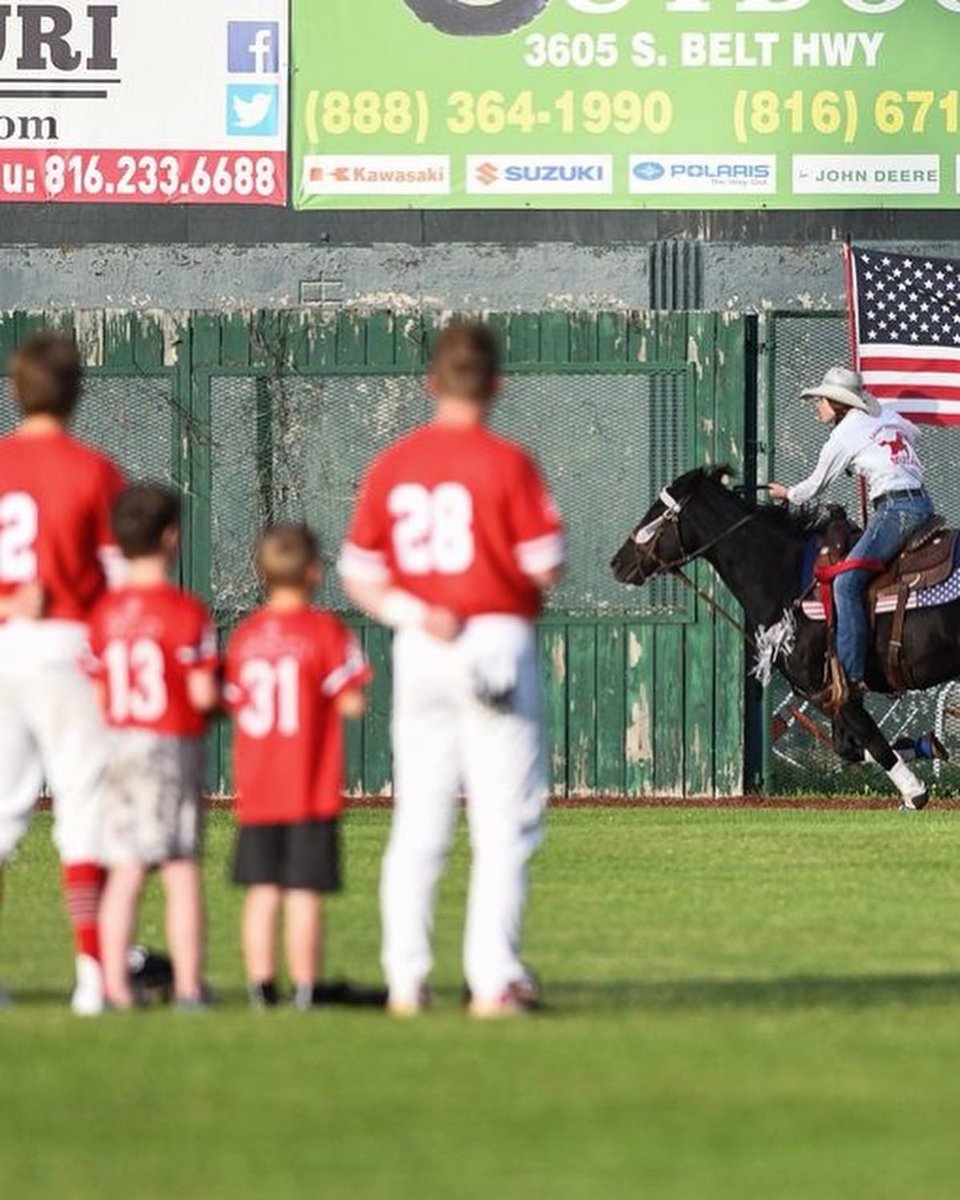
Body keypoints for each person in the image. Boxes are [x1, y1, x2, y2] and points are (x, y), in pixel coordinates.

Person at [339, 321, 565, 1019]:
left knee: (420, 823)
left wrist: (413, 611)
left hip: (422, 643)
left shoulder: (395, 462)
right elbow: (544, 564)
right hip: (495, 636)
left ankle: (407, 982)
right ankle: (492, 979)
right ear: (495, 384)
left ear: (431, 383)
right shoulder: (508, 461)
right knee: (504, 824)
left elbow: (358, 575)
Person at [0, 332, 126, 1015]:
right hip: (70, 649)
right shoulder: (93, 470)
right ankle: (91, 976)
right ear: (76, 392)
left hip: (3, 648)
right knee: (83, 814)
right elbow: (114, 582)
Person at [225, 525, 371, 1011]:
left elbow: (233, 701)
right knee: (304, 893)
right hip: (309, 788)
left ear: (262, 574)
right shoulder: (325, 631)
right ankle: (307, 988)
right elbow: (351, 701)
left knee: (262, 892)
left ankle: (261, 988)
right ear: (314, 573)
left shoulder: (245, 637)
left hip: (259, 789)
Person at [88, 484, 218, 1011]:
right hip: (168, 742)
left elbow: (99, 692)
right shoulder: (185, 613)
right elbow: (202, 693)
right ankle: (188, 987)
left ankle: (114, 987)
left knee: (125, 870)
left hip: (118, 743)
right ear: (171, 538)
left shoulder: (104, 614)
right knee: (180, 867)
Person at [770, 366, 933, 692]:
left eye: (821, 400)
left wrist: (787, 494)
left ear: (836, 403)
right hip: (922, 504)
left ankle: (850, 674)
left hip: (894, 511)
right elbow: (913, 433)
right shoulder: (885, 414)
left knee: (845, 582)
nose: (817, 405)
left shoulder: (843, 435)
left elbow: (815, 486)